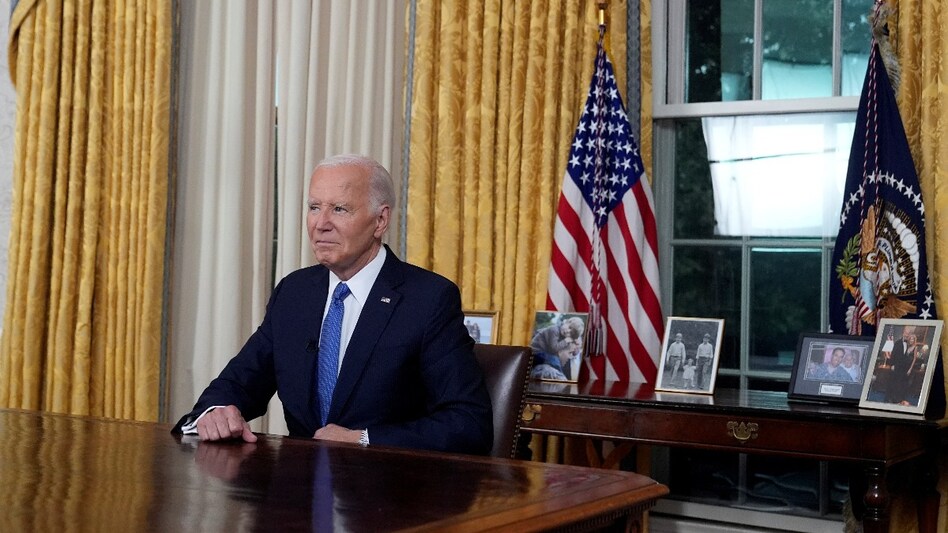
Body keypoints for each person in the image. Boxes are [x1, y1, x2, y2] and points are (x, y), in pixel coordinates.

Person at [173, 155, 493, 455]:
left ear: (380, 220)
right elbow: (239, 382)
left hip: (389, 496)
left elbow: (468, 423)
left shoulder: (428, 299)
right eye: (314, 207)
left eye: (339, 209)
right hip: (297, 497)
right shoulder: (295, 292)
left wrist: (364, 439)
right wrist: (216, 412)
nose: (321, 223)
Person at [530, 316, 585, 381]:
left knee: (554, 359)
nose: (568, 331)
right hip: (535, 352)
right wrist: (566, 340)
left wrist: (574, 341)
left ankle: (560, 375)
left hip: (542, 353)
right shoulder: (554, 330)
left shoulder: (561, 334)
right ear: (566, 321)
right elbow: (553, 348)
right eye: (569, 327)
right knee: (554, 359)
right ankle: (560, 376)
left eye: (571, 333)